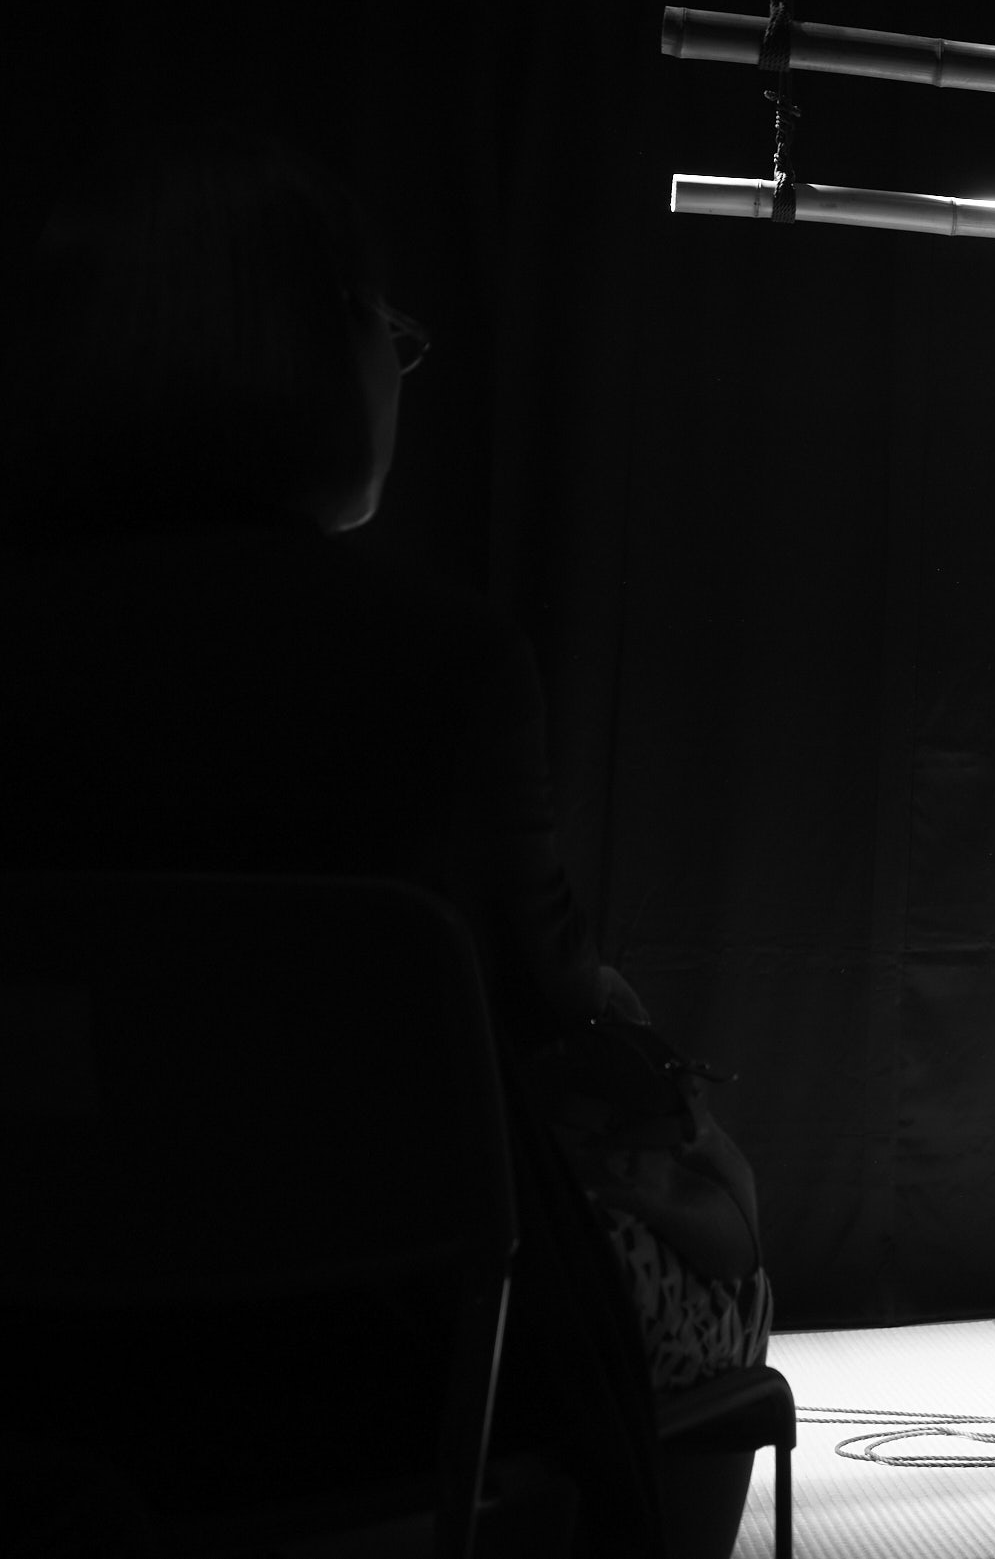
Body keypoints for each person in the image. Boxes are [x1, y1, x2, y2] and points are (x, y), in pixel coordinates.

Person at [0, 131, 754, 1553]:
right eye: (388, 336)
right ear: (310, 352)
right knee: (726, 1243)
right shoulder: (438, 663)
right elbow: (549, 1017)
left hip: (34, 1367)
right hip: (395, 1358)